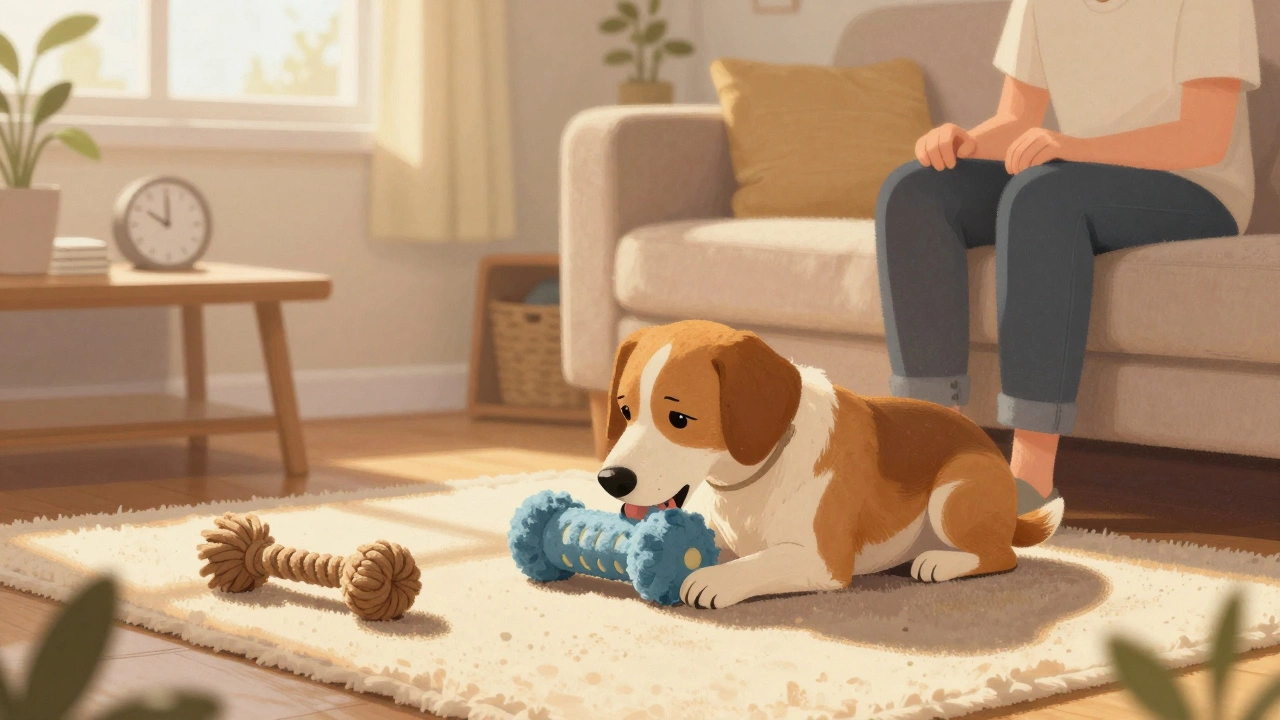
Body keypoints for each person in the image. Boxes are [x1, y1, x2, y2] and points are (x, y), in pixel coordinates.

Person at [874, 0, 1260, 513]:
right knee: (915, 191)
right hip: (1076, 170)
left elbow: (1203, 137)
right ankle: (938, 461)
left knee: (1041, 197)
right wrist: (965, 143)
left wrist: (1073, 147)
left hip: (1196, 188)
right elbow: (1016, 119)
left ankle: (1029, 485)